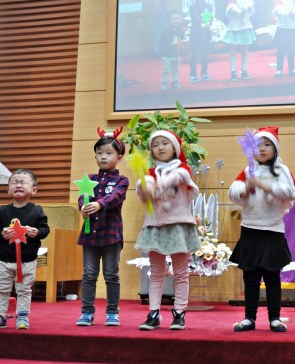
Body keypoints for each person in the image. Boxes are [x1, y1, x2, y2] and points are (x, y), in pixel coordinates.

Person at [229, 126, 295, 332]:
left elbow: (291, 193)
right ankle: (249, 318)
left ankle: (275, 318)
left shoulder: (282, 170)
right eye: (258, 145)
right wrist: (245, 189)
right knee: (250, 278)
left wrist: (264, 185)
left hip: (272, 231)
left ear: (275, 148)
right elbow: (234, 194)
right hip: (250, 229)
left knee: (272, 278)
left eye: (267, 144)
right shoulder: (246, 171)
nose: (262, 149)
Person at [135, 129, 201, 331]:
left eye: (165, 143)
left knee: (181, 273)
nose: (160, 148)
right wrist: (145, 188)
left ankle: (179, 313)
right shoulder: (148, 175)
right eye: (155, 145)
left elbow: (178, 179)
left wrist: (156, 184)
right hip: (155, 226)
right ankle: (153, 313)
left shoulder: (182, 169)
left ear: (175, 147)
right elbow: (144, 195)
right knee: (156, 273)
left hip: (179, 225)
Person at [75, 127, 130, 327]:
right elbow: (82, 196)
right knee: (89, 275)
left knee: (111, 275)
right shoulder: (89, 179)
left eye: (108, 153)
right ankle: (87, 312)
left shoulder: (121, 180)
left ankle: (112, 313)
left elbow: (116, 196)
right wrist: (83, 207)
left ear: (119, 157)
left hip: (111, 235)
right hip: (90, 235)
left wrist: (99, 204)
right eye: (99, 153)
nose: (103, 157)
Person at [0, 169, 50, 330]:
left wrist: (36, 232)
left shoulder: (37, 210)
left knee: (24, 289)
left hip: (27, 259)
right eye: (14, 182)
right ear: (8, 189)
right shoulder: (2, 210)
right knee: (1, 288)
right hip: (4, 259)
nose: (18, 185)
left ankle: (22, 316)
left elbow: (45, 229)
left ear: (33, 190)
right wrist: (2, 234)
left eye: (23, 182)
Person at [222, 0, 256, 81]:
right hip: (235, 28)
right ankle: (233, 72)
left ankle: (244, 70)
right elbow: (234, 10)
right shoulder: (231, 2)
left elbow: (250, 10)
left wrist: (246, 7)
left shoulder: (249, 1)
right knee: (233, 50)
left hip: (245, 28)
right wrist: (240, 10)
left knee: (244, 51)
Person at [187, 0, 214, 83]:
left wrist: (207, 24)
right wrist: (202, 24)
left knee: (205, 54)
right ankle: (193, 75)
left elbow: (209, 17)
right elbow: (195, 17)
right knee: (194, 55)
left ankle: (204, 73)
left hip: (206, 34)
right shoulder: (192, 7)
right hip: (195, 34)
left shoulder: (209, 6)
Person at [160, 11, 186, 90]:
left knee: (175, 69)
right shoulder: (165, 32)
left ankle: (175, 82)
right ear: (169, 21)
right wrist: (172, 46)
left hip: (177, 55)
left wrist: (181, 46)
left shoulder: (181, 30)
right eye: (174, 19)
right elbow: (162, 44)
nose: (176, 20)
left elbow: (182, 40)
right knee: (166, 70)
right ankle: (164, 83)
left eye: (177, 18)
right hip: (167, 55)